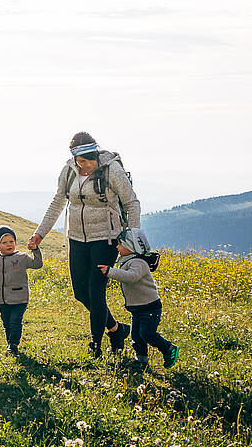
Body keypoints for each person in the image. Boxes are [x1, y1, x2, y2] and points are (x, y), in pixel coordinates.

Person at [28, 131, 140, 358]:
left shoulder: (112, 170)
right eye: (80, 162)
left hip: (106, 238)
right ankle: (117, 330)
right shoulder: (69, 171)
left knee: (96, 290)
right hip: (77, 238)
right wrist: (40, 234)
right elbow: (58, 201)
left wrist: (134, 241)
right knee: (80, 293)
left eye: (87, 162)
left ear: (96, 156)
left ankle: (96, 345)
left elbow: (132, 203)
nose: (84, 167)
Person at [100, 228, 178, 367]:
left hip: (149, 307)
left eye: (120, 244)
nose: (117, 247)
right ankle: (141, 359)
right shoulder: (127, 260)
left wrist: (110, 271)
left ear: (131, 246)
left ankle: (168, 348)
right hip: (137, 308)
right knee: (136, 336)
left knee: (147, 334)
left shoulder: (138, 263)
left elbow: (132, 277)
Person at [0, 225, 43, 355]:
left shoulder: (22, 258)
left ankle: (13, 345)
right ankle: (10, 344)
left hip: (19, 298)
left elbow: (37, 264)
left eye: (11, 241)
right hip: (2, 299)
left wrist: (36, 250)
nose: (9, 244)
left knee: (15, 322)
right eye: (4, 242)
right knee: (7, 324)